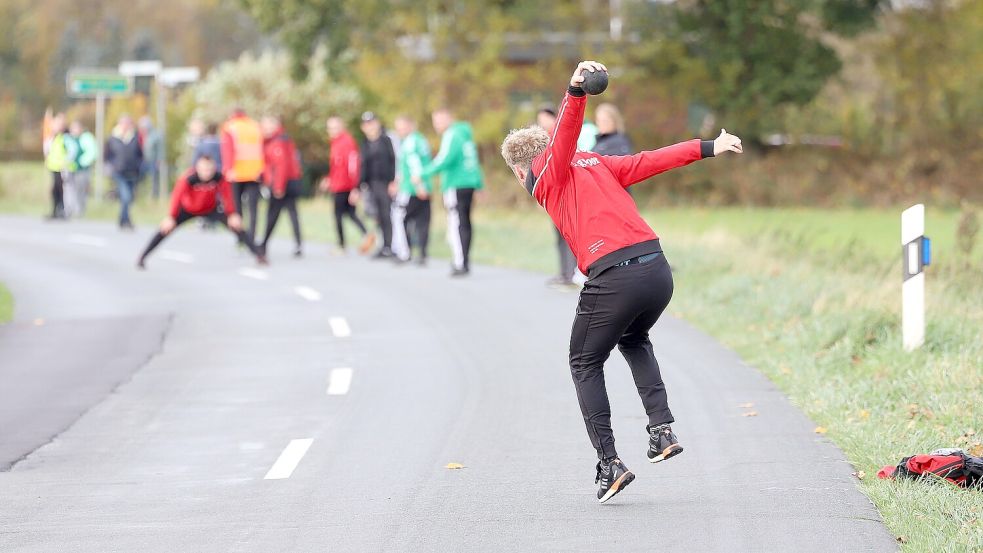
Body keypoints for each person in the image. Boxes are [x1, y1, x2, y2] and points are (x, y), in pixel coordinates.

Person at [499, 61, 743, 503]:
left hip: (616, 276)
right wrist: (709, 145)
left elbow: (565, 137)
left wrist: (576, 92)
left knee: (583, 362)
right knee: (633, 340)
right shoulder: (595, 162)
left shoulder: (545, 179)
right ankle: (661, 428)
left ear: (520, 170)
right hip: (657, 270)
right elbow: (651, 160)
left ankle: (609, 462)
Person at [137, 156, 267, 269]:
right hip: (188, 209)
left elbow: (228, 195)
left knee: (237, 226)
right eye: (204, 169)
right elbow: (177, 196)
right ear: (198, 168)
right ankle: (143, 257)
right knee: (164, 229)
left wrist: (232, 213)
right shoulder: (188, 178)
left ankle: (259, 254)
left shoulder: (219, 177)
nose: (207, 173)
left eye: (210, 169)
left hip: (210, 208)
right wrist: (171, 217)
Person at [417, 108, 484, 277]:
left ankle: (460, 262)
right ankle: (464, 261)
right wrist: (479, 184)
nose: (437, 125)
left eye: (440, 121)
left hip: (456, 184)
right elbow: (474, 161)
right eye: (435, 121)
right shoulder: (465, 135)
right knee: (465, 222)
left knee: (456, 223)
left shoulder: (451, 135)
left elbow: (443, 160)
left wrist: (422, 174)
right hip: (468, 184)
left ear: (450, 119)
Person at [537, 105, 577, 288]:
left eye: (545, 118)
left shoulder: (562, 137)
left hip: (567, 194)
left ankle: (573, 273)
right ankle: (564, 273)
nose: (542, 122)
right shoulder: (541, 140)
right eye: (540, 119)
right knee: (559, 236)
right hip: (552, 196)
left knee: (569, 235)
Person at [325, 116, 372, 253]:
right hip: (337, 184)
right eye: (330, 128)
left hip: (345, 186)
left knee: (338, 214)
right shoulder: (335, 143)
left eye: (335, 127)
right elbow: (336, 166)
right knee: (350, 213)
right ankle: (366, 234)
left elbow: (353, 166)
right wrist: (329, 179)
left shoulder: (347, 143)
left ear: (342, 127)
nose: (332, 130)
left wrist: (355, 188)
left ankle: (341, 245)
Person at [258, 115, 303, 258]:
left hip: (282, 184)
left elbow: (281, 166)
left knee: (273, 215)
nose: (265, 129)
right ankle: (298, 244)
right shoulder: (281, 139)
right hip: (290, 181)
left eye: (268, 126)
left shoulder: (277, 142)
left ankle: (264, 244)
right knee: (292, 213)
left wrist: (278, 187)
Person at [391, 115, 432, 265]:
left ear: (410, 126)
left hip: (411, 189)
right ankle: (422, 253)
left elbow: (414, 164)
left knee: (399, 217)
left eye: (401, 127)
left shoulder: (409, 142)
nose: (399, 131)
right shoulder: (422, 140)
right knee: (423, 221)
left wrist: (419, 185)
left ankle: (404, 252)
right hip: (425, 188)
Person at [221, 108, 265, 246]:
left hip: (236, 174)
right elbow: (262, 149)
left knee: (237, 209)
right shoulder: (255, 126)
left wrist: (227, 170)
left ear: (232, 115)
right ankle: (252, 237)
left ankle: (240, 238)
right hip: (254, 173)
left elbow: (227, 151)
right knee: (253, 208)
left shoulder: (230, 127)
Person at [359, 112, 397, 258]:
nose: (370, 127)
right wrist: (361, 185)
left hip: (385, 183)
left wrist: (393, 181)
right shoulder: (365, 143)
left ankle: (390, 246)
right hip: (371, 184)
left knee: (387, 214)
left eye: (372, 123)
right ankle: (383, 245)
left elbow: (393, 161)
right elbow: (363, 166)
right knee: (377, 215)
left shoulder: (386, 140)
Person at [104, 114, 143, 230]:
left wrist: (139, 166)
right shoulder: (112, 138)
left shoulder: (135, 137)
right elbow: (107, 155)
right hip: (119, 172)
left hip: (132, 172)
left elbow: (140, 154)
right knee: (126, 196)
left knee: (129, 197)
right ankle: (126, 220)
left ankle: (123, 218)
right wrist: (110, 166)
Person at [64, 121, 97, 217]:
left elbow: (92, 152)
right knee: (69, 189)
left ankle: (79, 210)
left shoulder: (86, 138)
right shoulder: (68, 139)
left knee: (80, 189)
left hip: (82, 169)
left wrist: (81, 162)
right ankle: (69, 209)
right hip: (70, 169)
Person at [43, 112, 69, 220]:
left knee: (61, 189)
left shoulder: (66, 136)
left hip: (62, 167)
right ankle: (55, 210)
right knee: (55, 189)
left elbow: (71, 151)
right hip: (53, 166)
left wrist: (66, 162)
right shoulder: (53, 137)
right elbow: (48, 149)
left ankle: (62, 209)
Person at [138, 116, 163, 198]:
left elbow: (160, 150)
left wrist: (159, 161)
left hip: (153, 160)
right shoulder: (140, 135)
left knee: (153, 179)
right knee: (140, 177)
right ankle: (141, 193)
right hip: (143, 160)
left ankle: (154, 195)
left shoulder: (155, 135)